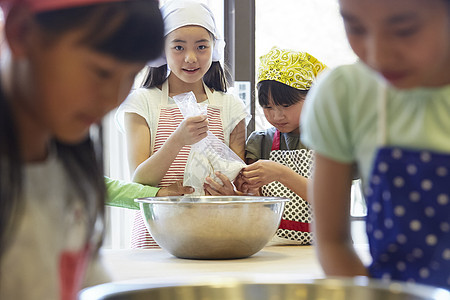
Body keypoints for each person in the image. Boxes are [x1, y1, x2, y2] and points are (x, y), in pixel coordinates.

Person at [0, 0, 164, 299]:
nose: (113, 98)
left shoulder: (71, 170)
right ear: (21, 32)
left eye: (131, 76)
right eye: (101, 72)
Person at [301, 0, 450, 289]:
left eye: (405, 31)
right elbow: (333, 242)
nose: (378, 55)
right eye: (355, 27)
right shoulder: (345, 93)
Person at [115, 0, 248, 249]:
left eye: (201, 47)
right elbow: (140, 181)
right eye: (178, 47)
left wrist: (229, 191)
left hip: (214, 235)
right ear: (162, 49)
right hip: (155, 238)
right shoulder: (142, 102)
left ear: (214, 48)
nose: (190, 58)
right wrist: (178, 140)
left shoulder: (230, 107)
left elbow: (237, 177)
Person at [243, 46, 327, 245]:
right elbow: (250, 202)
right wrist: (248, 191)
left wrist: (282, 173)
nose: (276, 116)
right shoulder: (260, 142)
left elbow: (330, 199)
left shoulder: (330, 141)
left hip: (326, 249)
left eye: (286, 106)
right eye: (267, 107)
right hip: (273, 249)